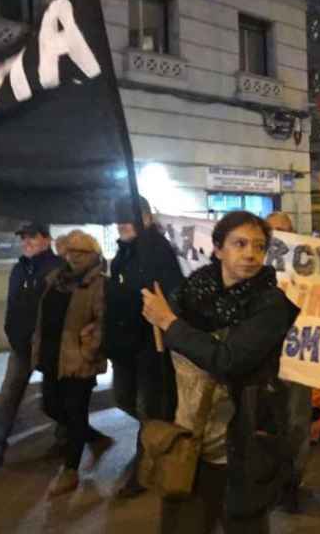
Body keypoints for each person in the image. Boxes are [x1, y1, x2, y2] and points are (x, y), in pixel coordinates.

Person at [142, 211, 300, 534]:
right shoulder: (189, 294)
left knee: (243, 524)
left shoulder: (271, 305)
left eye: (258, 246)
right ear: (217, 249)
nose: (250, 253)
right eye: (239, 243)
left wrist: (169, 323)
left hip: (241, 443)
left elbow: (228, 359)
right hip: (188, 440)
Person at [0, 223, 73, 467]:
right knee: (8, 394)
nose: (26, 242)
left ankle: (67, 439)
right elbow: (13, 306)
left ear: (46, 239)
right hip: (21, 346)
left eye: (32, 237)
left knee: (55, 397)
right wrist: (11, 332)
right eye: (23, 238)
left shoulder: (58, 268)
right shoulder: (18, 269)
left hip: (49, 346)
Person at [105, 196, 185, 498]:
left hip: (149, 346)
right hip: (125, 346)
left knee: (149, 407)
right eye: (119, 217)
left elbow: (173, 291)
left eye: (130, 216)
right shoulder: (123, 253)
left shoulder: (157, 250)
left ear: (147, 218)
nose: (122, 222)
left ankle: (144, 469)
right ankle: (160, 439)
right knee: (124, 399)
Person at [32, 230, 109, 496]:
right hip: (53, 356)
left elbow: (103, 322)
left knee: (75, 411)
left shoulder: (97, 283)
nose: (74, 257)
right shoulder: (56, 280)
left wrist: (88, 350)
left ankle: (71, 470)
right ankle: (86, 433)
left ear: (93, 254)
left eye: (81, 252)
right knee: (51, 405)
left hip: (79, 360)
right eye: (70, 251)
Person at [266, 211, 313, 514]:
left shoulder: (310, 267)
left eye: (284, 230)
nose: (279, 235)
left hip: (299, 356)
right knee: (268, 423)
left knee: (296, 422)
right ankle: (271, 480)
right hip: (263, 357)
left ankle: (292, 482)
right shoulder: (255, 268)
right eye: (272, 231)